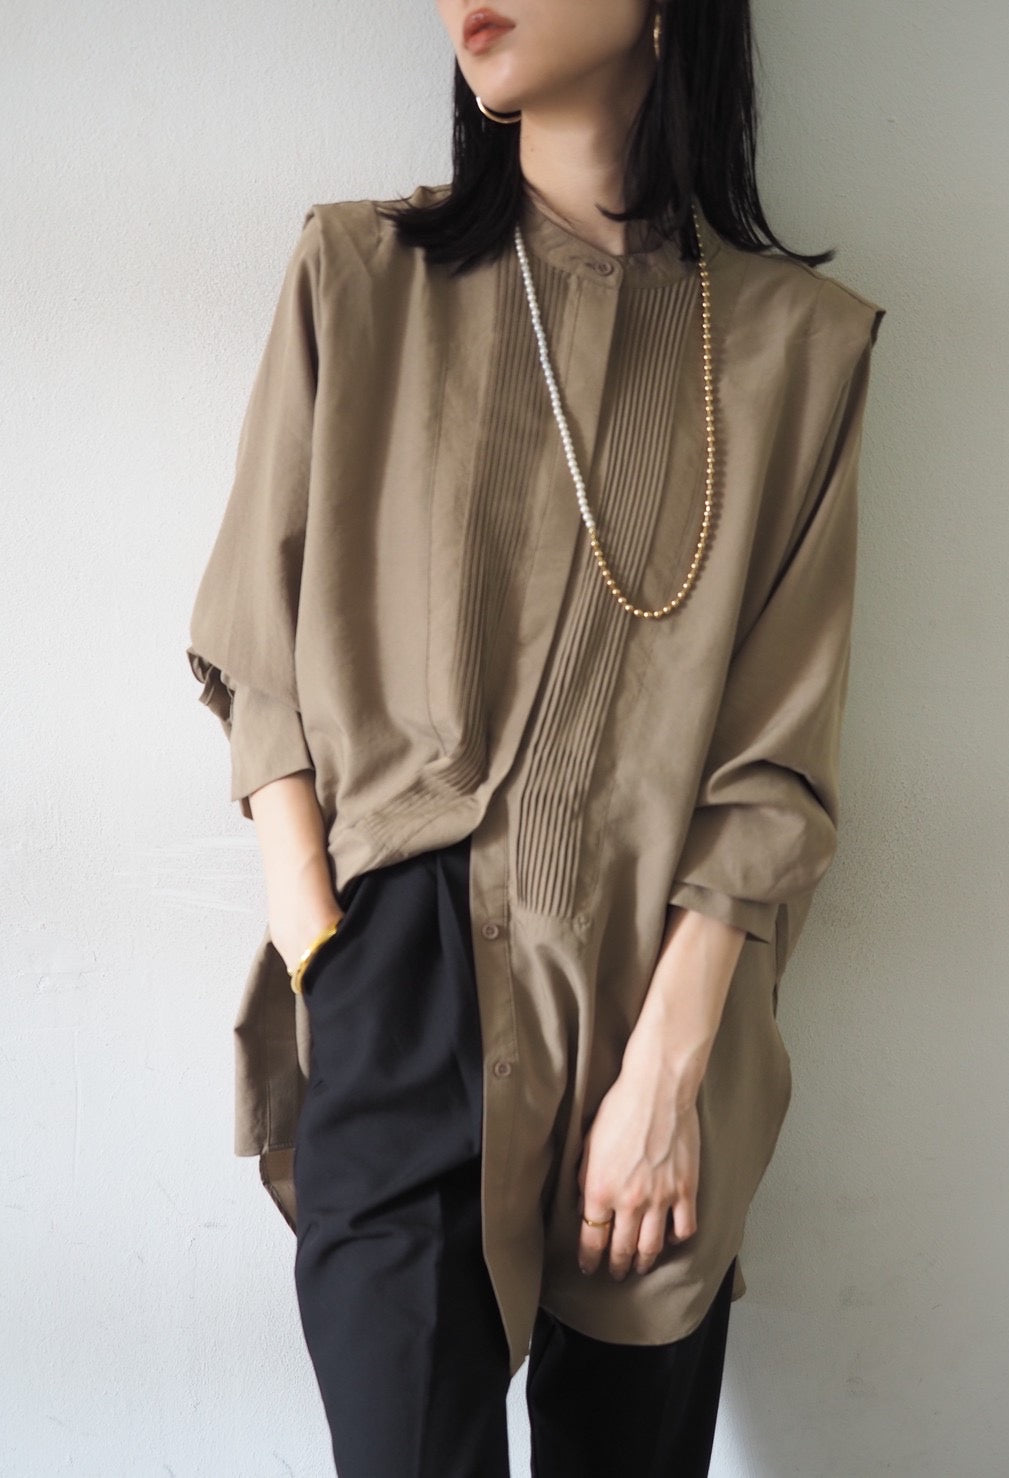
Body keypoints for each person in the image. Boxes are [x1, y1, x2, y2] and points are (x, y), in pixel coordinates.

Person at [185, 1, 887, 1473]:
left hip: (665, 987)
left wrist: (668, 1071)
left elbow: (776, 760)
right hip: (403, 972)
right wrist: (327, 953)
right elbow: (260, 651)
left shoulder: (795, 351)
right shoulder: (360, 277)